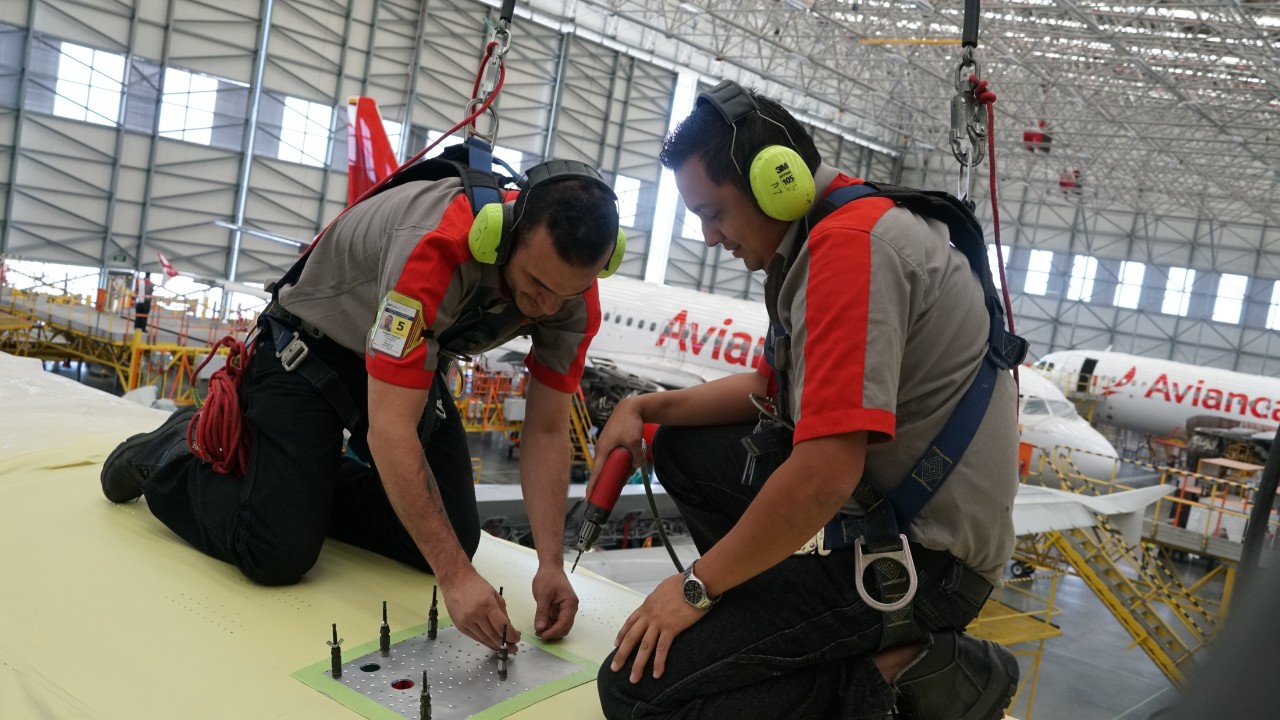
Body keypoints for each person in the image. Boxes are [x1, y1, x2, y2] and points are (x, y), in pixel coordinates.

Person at [591, 80, 1021, 719]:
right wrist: (648, 409)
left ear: (775, 183)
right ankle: (778, 609)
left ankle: (897, 670)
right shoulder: (826, 237)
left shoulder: (851, 250)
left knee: (635, 692)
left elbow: (824, 474)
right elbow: (770, 390)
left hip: (923, 565)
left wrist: (696, 589)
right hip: (881, 517)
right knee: (683, 448)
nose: (710, 238)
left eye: (713, 213)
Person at [101, 155, 623, 654]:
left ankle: (298, 487)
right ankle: (168, 455)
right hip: (310, 349)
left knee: (451, 539)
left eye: (566, 293)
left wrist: (550, 564)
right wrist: (457, 581)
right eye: (535, 283)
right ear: (500, 236)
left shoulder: (573, 292)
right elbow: (390, 430)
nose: (547, 307)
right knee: (275, 553)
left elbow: (549, 430)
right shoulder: (437, 246)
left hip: (407, 359)